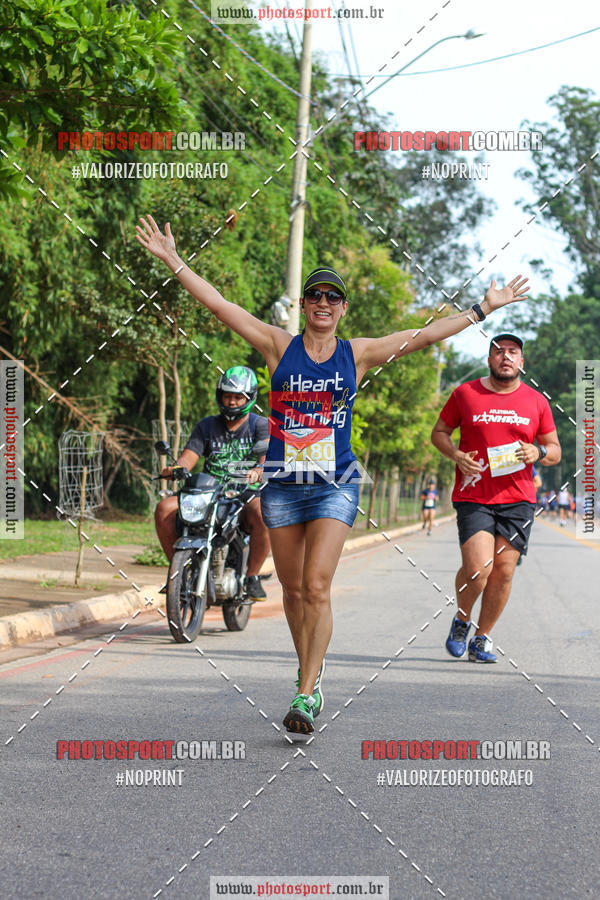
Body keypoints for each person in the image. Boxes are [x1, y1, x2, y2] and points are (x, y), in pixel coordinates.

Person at [137, 213, 530, 731]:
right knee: (294, 592)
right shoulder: (278, 346)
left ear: (343, 308)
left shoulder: (357, 354)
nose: (323, 302)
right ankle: (312, 671)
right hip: (282, 487)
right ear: (304, 305)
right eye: (315, 295)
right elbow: (218, 304)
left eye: (333, 297)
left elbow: (424, 335)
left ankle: (304, 694)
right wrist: (173, 261)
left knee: (317, 585)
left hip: (334, 485)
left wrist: (483, 309)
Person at [431, 333, 561, 663]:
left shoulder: (537, 401)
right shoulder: (465, 393)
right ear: (490, 359)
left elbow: (555, 450)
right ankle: (462, 620)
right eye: (499, 351)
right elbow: (439, 433)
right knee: (478, 569)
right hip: (474, 492)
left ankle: (481, 638)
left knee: (503, 571)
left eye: (513, 352)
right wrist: (456, 455)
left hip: (518, 498)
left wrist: (538, 451)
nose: (505, 356)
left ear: (521, 362)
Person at [154, 366, 271, 601]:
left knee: (264, 514)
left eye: (238, 397)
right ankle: (178, 573)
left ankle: (252, 577)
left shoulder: (261, 425)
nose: (232, 402)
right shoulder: (206, 426)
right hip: (209, 492)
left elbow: (266, 458)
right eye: (227, 396)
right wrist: (176, 469)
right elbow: (189, 457)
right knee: (164, 508)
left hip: (246, 493)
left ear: (249, 398)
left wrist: (260, 470)